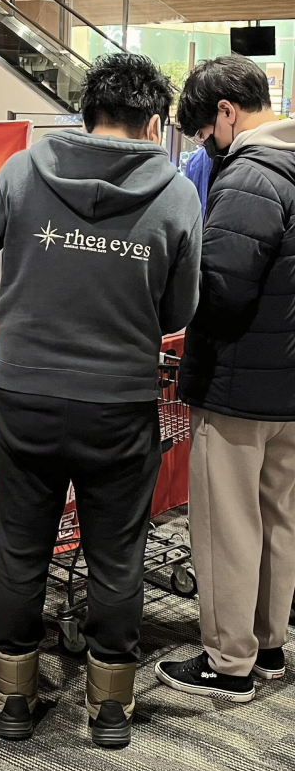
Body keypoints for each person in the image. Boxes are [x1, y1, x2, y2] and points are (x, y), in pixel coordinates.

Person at [0, 53, 202, 747]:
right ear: (154, 123)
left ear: (86, 112)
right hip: (119, 401)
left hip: (26, 392)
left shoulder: (21, 172)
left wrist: (27, 293)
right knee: (116, 554)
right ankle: (111, 710)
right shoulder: (177, 192)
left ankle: (11, 700)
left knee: (22, 549)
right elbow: (181, 305)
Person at [155, 56, 295, 702]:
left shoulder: (249, 173)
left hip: (238, 382)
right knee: (277, 519)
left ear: (226, 115)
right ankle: (267, 646)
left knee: (227, 523)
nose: (207, 148)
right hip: (286, 385)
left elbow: (224, 288)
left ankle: (227, 660)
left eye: (206, 133)